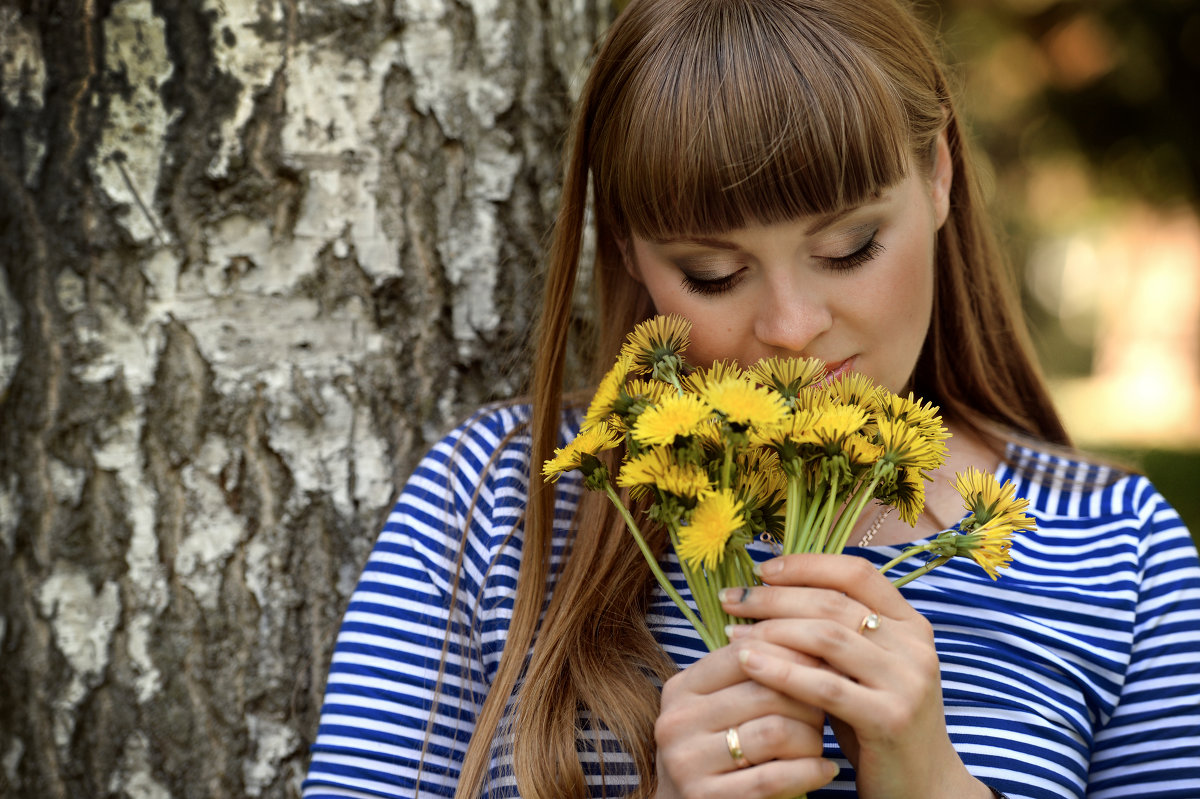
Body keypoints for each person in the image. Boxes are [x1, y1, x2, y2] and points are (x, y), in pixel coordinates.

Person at [301, 0, 1200, 796]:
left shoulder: (1120, 549)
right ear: (628, 250)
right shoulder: (495, 504)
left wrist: (932, 784)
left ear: (938, 174)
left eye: (849, 246)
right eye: (713, 272)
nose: (792, 325)